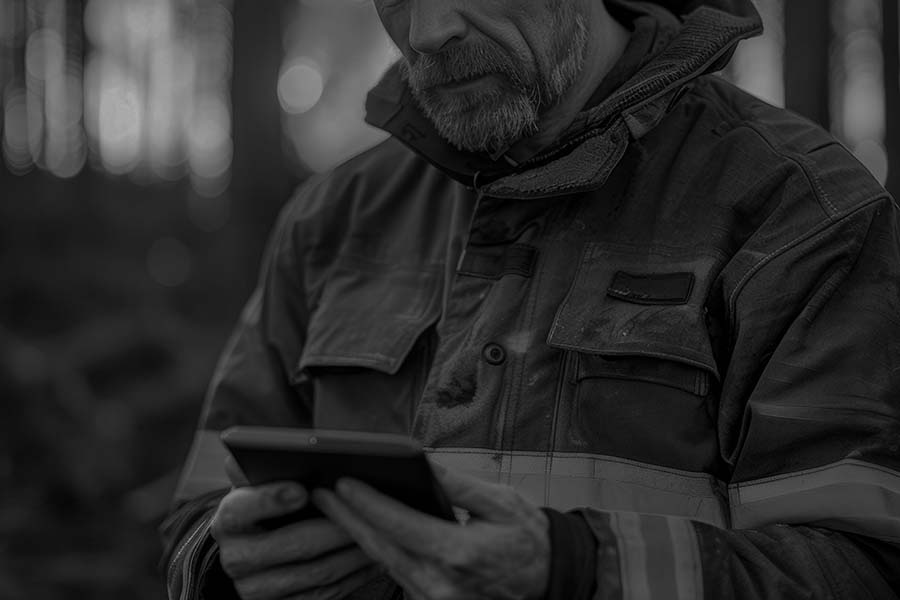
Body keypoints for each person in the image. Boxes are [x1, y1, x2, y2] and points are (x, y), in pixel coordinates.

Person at [161, 0, 900, 598]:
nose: (429, 31)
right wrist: (227, 564)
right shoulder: (333, 218)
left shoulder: (801, 210)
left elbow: (863, 567)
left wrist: (575, 571)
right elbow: (201, 511)